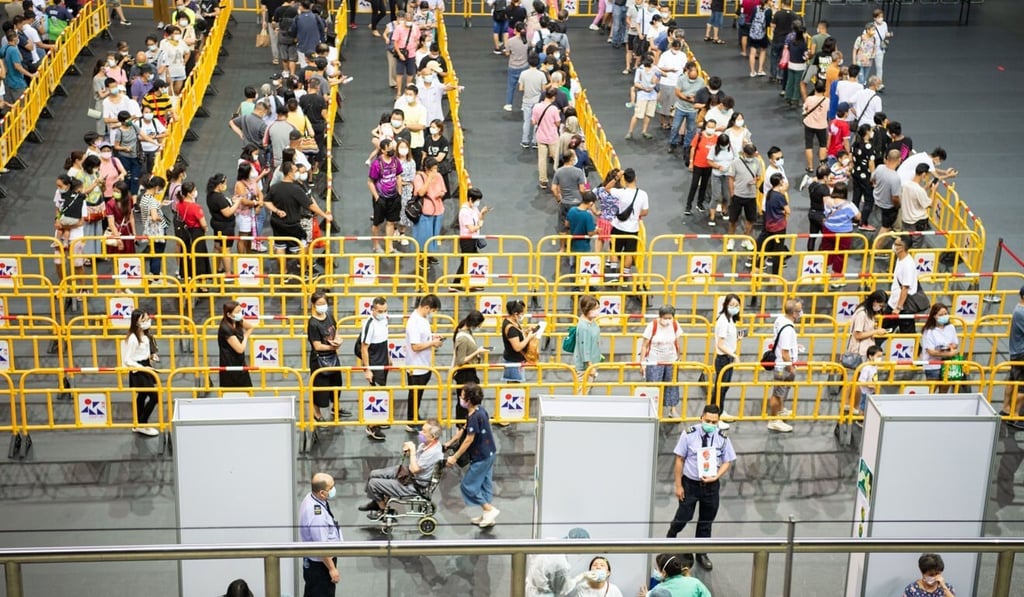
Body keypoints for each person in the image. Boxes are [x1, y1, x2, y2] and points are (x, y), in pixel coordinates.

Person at [666, 404, 736, 572]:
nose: (710, 424)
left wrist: (717, 476)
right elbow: (679, 460)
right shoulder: (689, 434)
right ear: (701, 418)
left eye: (714, 422)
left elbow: (727, 461)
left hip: (711, 486)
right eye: (707, 421)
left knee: (706, 521)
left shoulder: (722, 437)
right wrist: (678, 485)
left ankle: (701, 552)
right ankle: (670, 537)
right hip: (690, 484)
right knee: (683, 516)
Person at [358, 419, 444, 515]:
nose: (420, 433)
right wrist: (409, 452)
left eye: (424, 431)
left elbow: (414, 469)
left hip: (414, 484)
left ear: (432, 437)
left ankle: (383, 509)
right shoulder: (426, 445)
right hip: (408, 474)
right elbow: (416, 462)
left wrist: (412, 450)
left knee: (373, 484)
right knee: (373, 474)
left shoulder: (433, 452)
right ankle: (376, 501)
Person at [444, 382, 500, 527]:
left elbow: (469, 439)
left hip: (481, 456)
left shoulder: (475, 416)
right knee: (485, 485)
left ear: (468, 400)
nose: (460, 398)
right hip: (489, 453)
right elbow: (464, 429)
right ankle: (487, 515)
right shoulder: (479, 411)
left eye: (462, 396)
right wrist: (451, 442)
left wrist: (454, 457)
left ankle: (489, 510)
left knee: (468, 486)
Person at [298, 472, 343, 596]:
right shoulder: (317, 516)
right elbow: (321, 546)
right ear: (322, 493)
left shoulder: (311, 497)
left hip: (315, 562)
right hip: (321, 566)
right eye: (331, 488)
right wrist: (332, 569)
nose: (333, 490)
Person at [404, 294, 442, 430]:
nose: (432, 313)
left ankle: (415, 416)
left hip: (425, 365)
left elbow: (423, 337)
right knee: (414, 395)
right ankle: (411, 421)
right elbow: (415, 346)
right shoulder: (414, 323)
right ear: (426, 307)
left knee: (418, 396)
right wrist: (432, 343)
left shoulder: (423, 319)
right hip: (416, 367)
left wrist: (432, 337)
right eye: (432, 310)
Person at [640, 305, 683, 419]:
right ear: (660, 316)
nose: (667, 320)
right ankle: (652, 410)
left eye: (670, 318)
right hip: (654, 361)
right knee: (653, 385)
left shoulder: (675, 325)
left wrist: (679, 357)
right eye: (665, 318)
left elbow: (677, 342)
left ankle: (672, 410)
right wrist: (642, 363)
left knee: (672, 385)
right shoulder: (652, 326)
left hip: (671, 360)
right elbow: (644, 345)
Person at [605, 168, 649, 280]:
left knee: (614, 249)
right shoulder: (643, 194)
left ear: (624, 179)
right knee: (629, 252)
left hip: (618, 226)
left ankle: (614, 275)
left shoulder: (621, 192)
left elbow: (607, 188)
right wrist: (636, 214)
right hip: (632, 229)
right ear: (635, 178)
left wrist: (617, 177)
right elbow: (645, 212)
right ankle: (625, 275)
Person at [121, 309, 160, 437]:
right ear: (136, 322)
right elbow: (127, 360)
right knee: (154, 397)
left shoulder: (145, 335)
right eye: (144, 320)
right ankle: (142, 423)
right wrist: (142, 368)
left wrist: (152, 356)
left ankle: (138, 424)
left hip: (145, 365)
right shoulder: (133, 338)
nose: (147, 321)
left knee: (142, 396)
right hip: (139, 370)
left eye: (148, 319)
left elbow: (145, 350)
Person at [359, 296, 392, 442]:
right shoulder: (369, 324)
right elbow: (364, 348)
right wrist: (367, 369)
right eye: (380, 311)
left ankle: (378, 421)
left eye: (385, 310)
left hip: (383, 358)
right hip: (374, 362)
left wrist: (388, 356)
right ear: (373, 309)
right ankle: (371, 426)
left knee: (382, 391)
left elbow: (385, 339)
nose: (383, 313)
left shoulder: (384, 320)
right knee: (375, 393)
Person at [308, 290, 343, 423]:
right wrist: (332, 347)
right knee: (319, 389)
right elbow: (317, 346)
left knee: (336, 385)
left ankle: (336, 408)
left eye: (324, 303)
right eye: (319, 303)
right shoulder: (313, 323)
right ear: (314, 305)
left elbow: (336, 330)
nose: (322, 305)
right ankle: (316, 414)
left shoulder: (329, 315)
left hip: (333, 357)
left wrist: (338, 340)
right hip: (319, 360)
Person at [768, 298, 802, 433]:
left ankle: (780, 411)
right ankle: (774, 420)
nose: (801, 314)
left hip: (781, 364)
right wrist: (791, 368)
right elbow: (785, 353)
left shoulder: (780, 320)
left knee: (781, 392)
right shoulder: (788, 330)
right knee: (777, 394)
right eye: (799, 311)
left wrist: (795, 346)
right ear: (794, 313)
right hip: (783, 367)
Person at [711, 294, 742, 428]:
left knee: (724, 388)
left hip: (728, 358)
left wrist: (737, 339)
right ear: (725, 305)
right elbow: (720, 345)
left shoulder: (730, 319)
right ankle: (714, 417)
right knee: (720, 389)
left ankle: (720, 411)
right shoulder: (723, 321)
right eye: (732, 305)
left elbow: (727, 341)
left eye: (737, 305)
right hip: (723, 359)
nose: (734, 307)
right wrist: (734, 355)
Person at [452, 311, 488, 420]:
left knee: (470, 401)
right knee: (464, 402)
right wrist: (477, 352)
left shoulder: (467, 332)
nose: (480, 327)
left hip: (470, 371)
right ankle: (461, 425)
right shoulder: (462, 338)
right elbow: (460, 360)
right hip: (465, 374)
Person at [667, 61, 704, 159]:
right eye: (691, 78)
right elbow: (677, 92)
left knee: (691, 130)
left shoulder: (701, 82)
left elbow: (702, 95)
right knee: (675, 127)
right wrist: (687, 98)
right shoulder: (681, 79)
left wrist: (695, 99)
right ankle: (673, 143)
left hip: (693, 110)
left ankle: (687, 146)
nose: (693, 79)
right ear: (688, 73)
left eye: (695, 78)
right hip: (681, 107)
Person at [921, 303, 960, 393]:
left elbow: (955, 344)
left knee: (944, 393)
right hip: (933, 366)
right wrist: (947, 353)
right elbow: (931, 351)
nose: (944, 316)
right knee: (931, 392)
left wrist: (950, 347)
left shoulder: (951, 327)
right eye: (941, 315)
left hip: (949, 364)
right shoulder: (928, 331)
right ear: (934, 316)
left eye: (945, 314)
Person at [217, 300, 255, 390]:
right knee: (231, 393)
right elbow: (240, 349)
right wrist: (245, 337)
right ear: (229, 314)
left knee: (248, 391)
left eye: (240, 311)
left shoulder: (238, 321)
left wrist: (246, 335)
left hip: (240, 363)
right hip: (229, 366)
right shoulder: (225, 328)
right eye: (237, 312)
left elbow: (250, 327)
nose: (240, 314)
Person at [887, 235, 920, 334]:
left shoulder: (908, 265)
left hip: (903, 307)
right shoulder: (900, 258)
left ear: (902, 248)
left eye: (896, 244)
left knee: (908, 335)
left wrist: (898, 307)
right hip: (894, 302)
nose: (894, 246)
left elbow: (905, 288)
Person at [501, 299, 539, 383]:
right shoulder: (510, 328)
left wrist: (526, 331)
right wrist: (529, 337)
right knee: (514, 386)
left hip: (517, 361)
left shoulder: (513, 322)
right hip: (513, 363)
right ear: (515, 314)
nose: (523, 315)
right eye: (522, 313)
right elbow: (517, 347)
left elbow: (518, 335)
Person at [846, 290, 889, 361]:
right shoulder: (862, 314)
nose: (880, 308)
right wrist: (876, 331)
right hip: (859, 353)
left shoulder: (869, 312)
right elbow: (857, 335)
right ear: (874, 301)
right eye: (880, 305)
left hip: (866, 350)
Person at [641, 553, 710, 597]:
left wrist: (647, 595)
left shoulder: (658, 590)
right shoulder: (695, 583)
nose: (655, 570)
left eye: (657, 569)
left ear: (664, 572)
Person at [1003, 287, 1024, 428]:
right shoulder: (1021, 313)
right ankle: (1015, 415)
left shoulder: (1018, 309)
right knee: (1021, 386)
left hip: (1016, 352)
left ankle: (1006, 409)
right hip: (1022, 353)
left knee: (1012, 380)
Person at [574, 295, 603, 383]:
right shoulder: (584, 326)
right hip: (586, 367)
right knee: (583, 389)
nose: (597, 311)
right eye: (595, 309)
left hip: (593, 361)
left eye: (598, 308)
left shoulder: (592, 321)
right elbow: (584, 348)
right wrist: (590, 366)